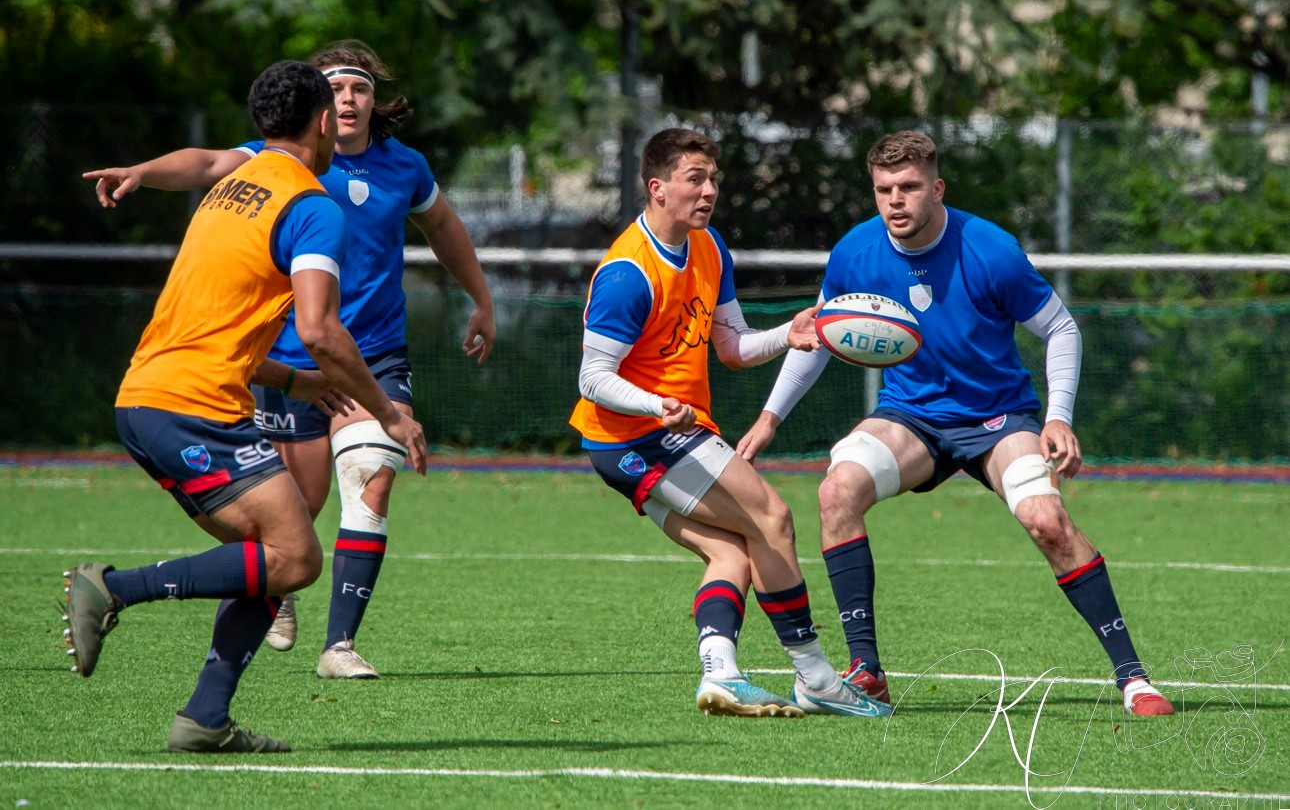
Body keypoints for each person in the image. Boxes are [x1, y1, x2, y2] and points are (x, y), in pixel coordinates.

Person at [83, 41, 496, 680]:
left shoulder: (403, 167)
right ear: (320, 112)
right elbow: (207, 162)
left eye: (359, 87)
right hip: (287, 361)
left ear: (368, 101)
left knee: (369, 473)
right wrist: (144, 170)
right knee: (294, 520)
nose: (349, 98)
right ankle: (239, 643)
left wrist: (480, 298)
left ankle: (337, 647)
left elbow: (442, 226)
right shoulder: (278, 168)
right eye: (335, 89)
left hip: (370, 357)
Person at [738, 130, 1175, 717]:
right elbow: (817, 335)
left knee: (1047, 520)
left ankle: (1134, 679)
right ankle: (866, 673)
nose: (896, 200)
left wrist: (1058, 418)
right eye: (884, 189)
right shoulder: (854, 253)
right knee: (836, 491)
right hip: (911, 416)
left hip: (997, 418)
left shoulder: (990, 248)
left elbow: (1062, 329)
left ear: (936, 188)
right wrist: (769, 420)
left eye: (910, 187)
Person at [570, 127, 892, 718]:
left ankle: (721, 674)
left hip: (659, 434)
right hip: (639, 436)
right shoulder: (627, 274)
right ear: (657, 188)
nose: (709, 189)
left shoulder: (710, 247)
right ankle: (817, 677)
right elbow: (592, 379)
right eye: (695, 178)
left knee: (733, 552)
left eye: (713, 178)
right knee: (771, 516)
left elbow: (732, 347)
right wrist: (654, 405)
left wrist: (787, 335)